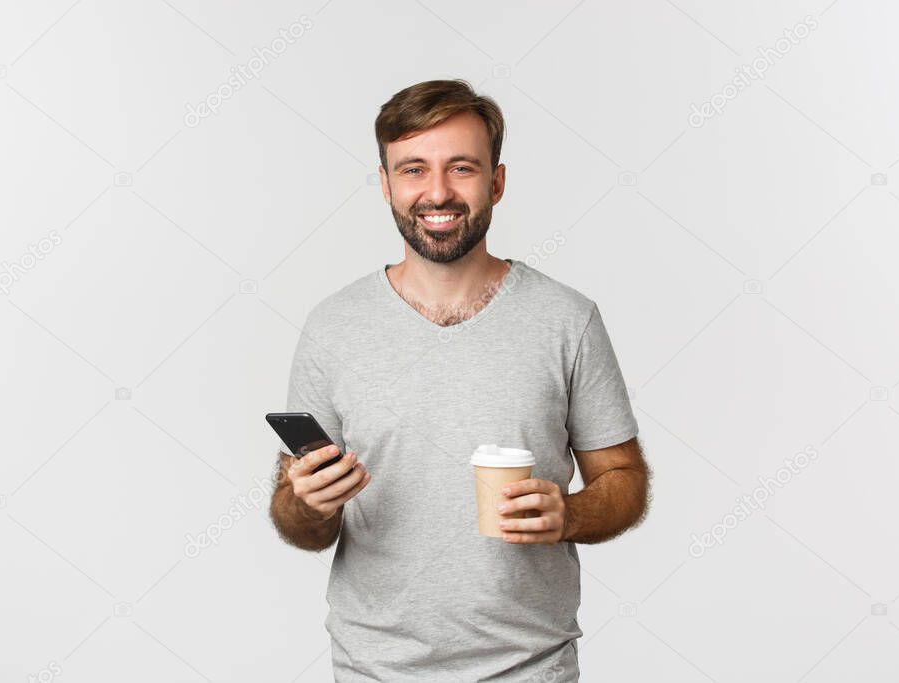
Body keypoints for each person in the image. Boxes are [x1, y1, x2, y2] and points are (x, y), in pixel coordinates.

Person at [270, 78, 651, 682]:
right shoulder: (333, 328)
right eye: (414, 169)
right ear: (387, 183)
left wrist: (570, 514)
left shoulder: (566, 319)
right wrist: (308, 504)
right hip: (375, 668)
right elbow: (298, 518)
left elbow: (624, 479)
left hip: (531, 666)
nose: (437, 191)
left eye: (462, 168)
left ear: (496, 182)